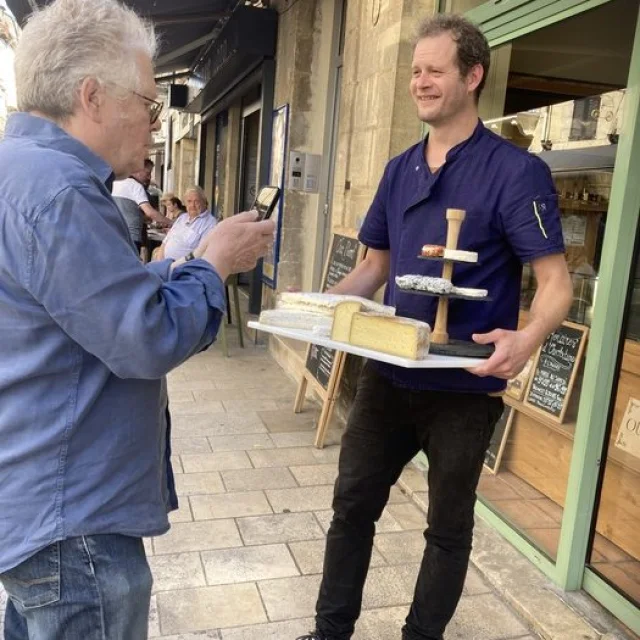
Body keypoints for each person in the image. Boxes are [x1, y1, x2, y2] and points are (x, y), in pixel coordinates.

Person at [0, 1, 275, 638]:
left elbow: (75, 304)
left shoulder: (24, 174)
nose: (154, 124)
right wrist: (214, 264)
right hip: (73, 519)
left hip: (40, 501)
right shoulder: (61, 191)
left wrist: (181, 268)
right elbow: (144, 337)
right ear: (92, 96)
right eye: (148, 105)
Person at [297, 14, 572, 640]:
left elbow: (557, 284)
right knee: (351, 508)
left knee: (447, 530)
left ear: (472, 76)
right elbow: (374, 267)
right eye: (415, 70)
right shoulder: (399, 170)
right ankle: (329, 632)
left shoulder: (515, 172)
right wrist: (313, 307)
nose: (419, 81)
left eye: (434, 70)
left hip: (465, 385)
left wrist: (526, 342)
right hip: (388, 375)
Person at [112, 163, 171, 255]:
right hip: (131, 238)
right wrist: (172, 222)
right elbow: (150, 212)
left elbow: (125, 211)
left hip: (114, 236)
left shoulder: (115, 183)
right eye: (147, 173)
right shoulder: (135, 186)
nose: (149, 177)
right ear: (137, 170)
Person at [155, 185, 217, 261]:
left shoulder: (210, 223)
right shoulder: (182, 218)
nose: (192, 205)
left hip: (183, 268)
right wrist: (159, 263)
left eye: (196, 201)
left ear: (204, 202)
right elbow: (165, 242)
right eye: (189, 201)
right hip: (165, 265)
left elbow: (202, 253)